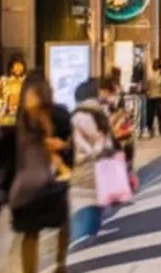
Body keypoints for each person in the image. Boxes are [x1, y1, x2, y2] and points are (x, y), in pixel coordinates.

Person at [9, 75, 70, 273]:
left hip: (23, 187)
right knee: (63, 222)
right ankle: (60, 264)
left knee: (29, 234)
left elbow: (11, 156)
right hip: (50, 183)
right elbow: (69, 148)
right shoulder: (59, 115)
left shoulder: (17, 120)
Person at [68, 78, 115, 243]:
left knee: (81, 238)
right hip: (99, 181)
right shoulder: (101, 115)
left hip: (80, 181)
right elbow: (108, 147)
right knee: (92, 231)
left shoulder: (76, 117)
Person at [0, 54, 27, 190]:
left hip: (22, 117)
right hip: (6, 117)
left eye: (20, 65)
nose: (18, 68)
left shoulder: (26, 81)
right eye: (15, 65)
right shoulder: (3, 81)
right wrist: (3, 106)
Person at [144, 59, 161, 138]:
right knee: (158, 114)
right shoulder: (160, 75)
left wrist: (148, 91)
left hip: (153, 97)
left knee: (152, 114)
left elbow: (147, 86)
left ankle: (152, 130)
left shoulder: (151, 75)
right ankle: (160, 130)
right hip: (157, 97)